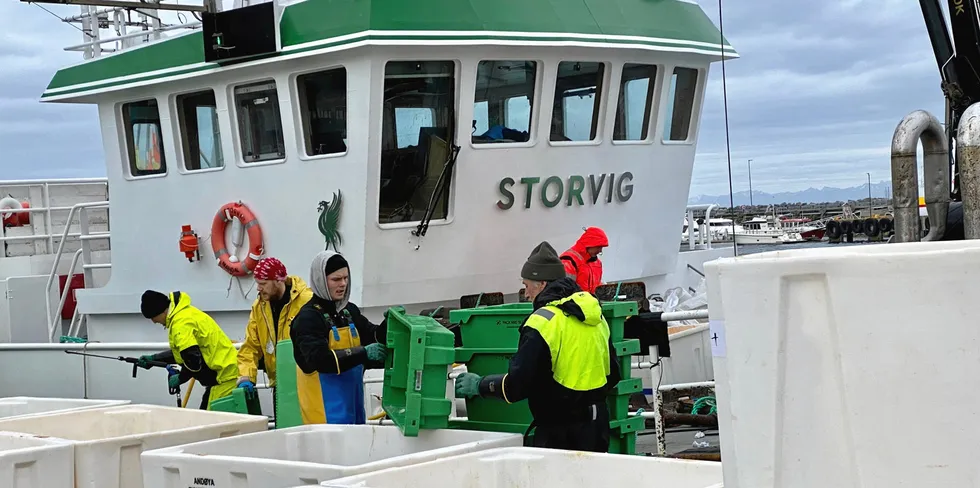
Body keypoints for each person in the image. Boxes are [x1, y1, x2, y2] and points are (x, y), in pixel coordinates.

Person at [454, 241, 620, 452]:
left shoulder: (542, 322)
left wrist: (480, 385)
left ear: (542, 284)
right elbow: (613, 373)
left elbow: (519, 384)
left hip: (559, 431)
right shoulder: (596, 318)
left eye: (526, 285)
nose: (525, 293)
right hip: (597, 427)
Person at [289, 250, 388, 425]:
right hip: (323, 417)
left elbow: (371, 335)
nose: (343, 284)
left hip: (354, 411)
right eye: (336, 279)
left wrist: (390, 324)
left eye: (346, 278)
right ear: (320, 279)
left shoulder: (349, 311)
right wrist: (363, 353)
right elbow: (321, 360)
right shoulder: (308, 318)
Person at [138, 290, 239, 410]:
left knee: (209, 425)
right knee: (206, 419)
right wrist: (154, 359)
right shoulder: (185, 313)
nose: (154, 322)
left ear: (161, 311)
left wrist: (180, 378)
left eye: (153, 317)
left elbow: (193, 360)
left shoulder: (181, 324)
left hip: (224, 379)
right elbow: (185, 352)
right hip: (225, 376)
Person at [236, 257, 313, 404]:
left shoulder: (307, 300)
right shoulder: (259, 308)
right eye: (257, 283)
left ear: (279, 280)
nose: (258, 288)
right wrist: (246, 377)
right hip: (280, 385)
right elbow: (250, 346)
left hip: (307, 383)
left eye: (263, 283)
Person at [560, 227, 609, 295]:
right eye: (599, 247)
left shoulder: (597, 263)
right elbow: (564, 289)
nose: (600, 250)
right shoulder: (568, 261)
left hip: (591, 304)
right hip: (574, 304)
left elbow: (597, 287)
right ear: (590, 244)